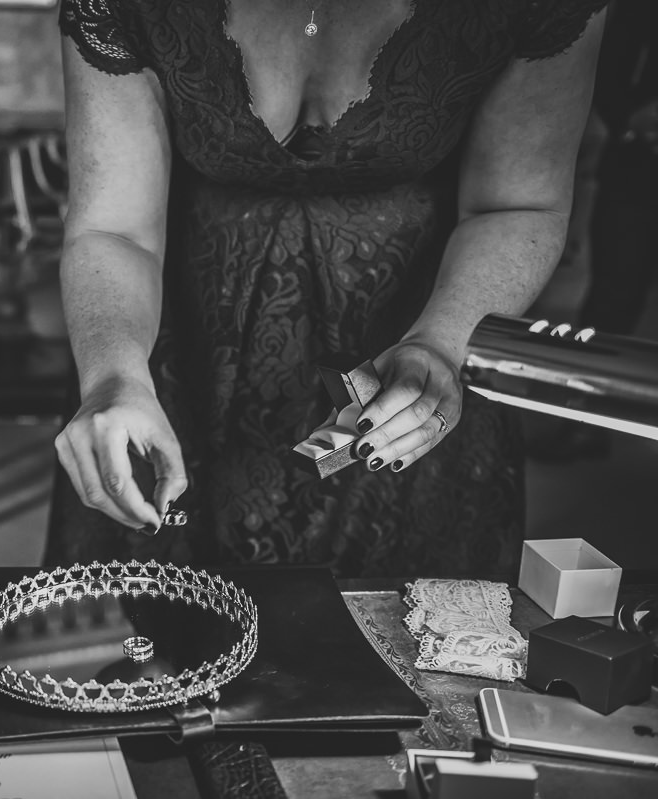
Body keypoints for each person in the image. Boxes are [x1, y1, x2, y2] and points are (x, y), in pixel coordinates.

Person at [45, 0, 607, 577]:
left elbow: (516, 203)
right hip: (177, 342)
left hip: (427, 332)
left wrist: (442, 344)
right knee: (166, 631)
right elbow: (115, 226)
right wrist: (113, 374)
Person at [530, 0, 658, 461]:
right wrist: (632, 119)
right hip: (637, 168)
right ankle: (584, 422)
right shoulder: (642, 8)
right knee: (611, 299)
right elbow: (605, 67)